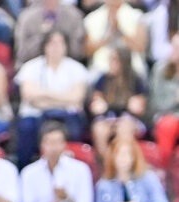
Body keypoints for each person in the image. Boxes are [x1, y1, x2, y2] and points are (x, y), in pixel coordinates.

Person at [15, 31, 90, 167]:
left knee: (75, 127)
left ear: (66, 46)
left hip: (67, 115)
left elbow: (76, 98)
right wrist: (63, 98)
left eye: (60, 43)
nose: (56, 47)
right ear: (45, 46)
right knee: (26, 128)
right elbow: (29, 96)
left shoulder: (76, 68)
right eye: (52, 43)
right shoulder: (31, 67)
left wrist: (44, 94)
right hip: (36, 115)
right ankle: (24, 167)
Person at [88, 46, 148, 160]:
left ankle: (123, 160)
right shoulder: (103, 79)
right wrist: (101, 105)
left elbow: (139, 108)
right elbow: (96, 104)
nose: (111, 63)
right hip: (107, 117)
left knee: (124, 127)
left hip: (129, 119)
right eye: (110, 59)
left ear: (124, 61)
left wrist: (128, 106)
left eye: (114, 59)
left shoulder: (136, 80)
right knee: (99, 129)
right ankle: (106, 162)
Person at [83, 0, 148, 80]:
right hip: (101, 67)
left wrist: (120, 30)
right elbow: (88, 51)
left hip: (131, 65)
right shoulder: (92, 18)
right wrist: (109, 33)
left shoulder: (137, 16)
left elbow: (140, 47)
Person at [14, 0, 85, 71]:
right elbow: (21, 53)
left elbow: (78, 52)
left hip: (66, 67)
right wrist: (42, 35)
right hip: (32, 67)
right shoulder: (26, 17)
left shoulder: (74, 16)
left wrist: (62, 43)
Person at [148, 33, 179, 166]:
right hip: (166, 115)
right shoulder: (160, 69)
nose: (174, 51)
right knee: (168, 125)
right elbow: (156, 104)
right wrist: (175, 98)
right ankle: (163, 168)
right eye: (173, 47)